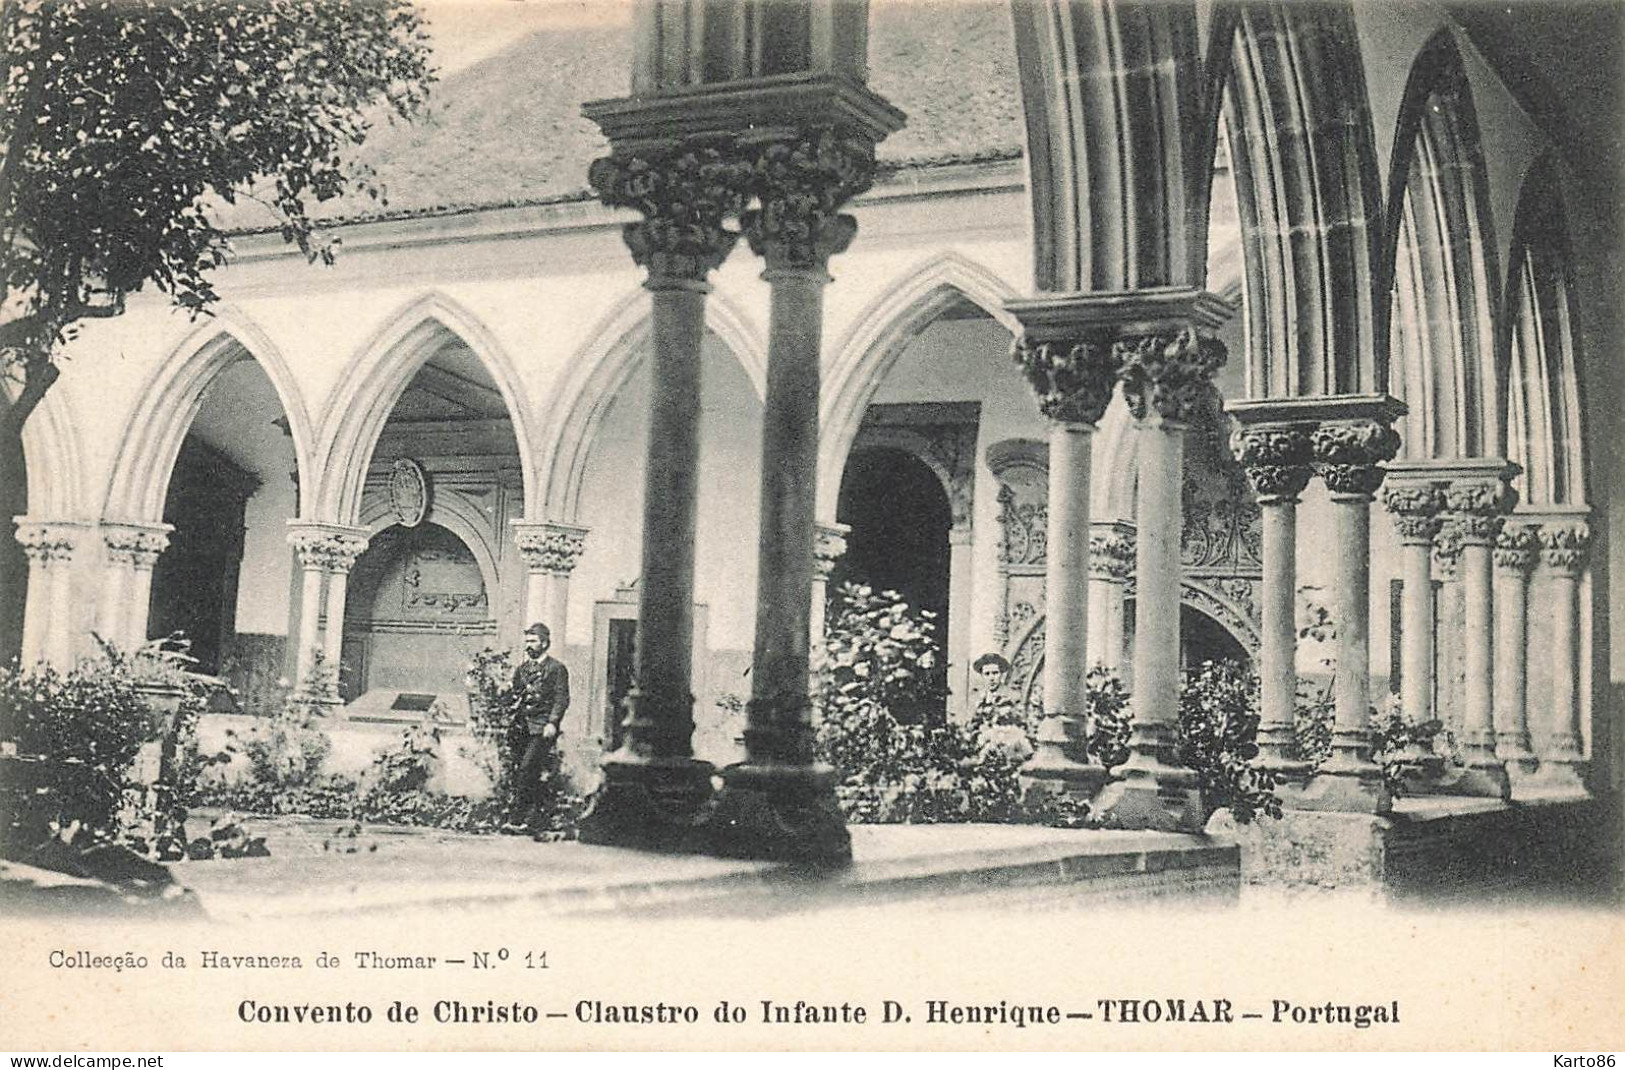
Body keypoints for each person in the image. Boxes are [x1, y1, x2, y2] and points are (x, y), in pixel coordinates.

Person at [506, 622, 570, 837]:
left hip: (542, 728)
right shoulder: (522, 669)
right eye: (527, 641)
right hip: (522, 727)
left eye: (533, 641)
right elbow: (515, 697)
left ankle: (517, 820)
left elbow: (561, 699)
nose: (529, 645)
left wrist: (552, 722)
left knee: (527, 768)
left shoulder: (556, 668)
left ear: (544, 643)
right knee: (524, 771)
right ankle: (534, 819)